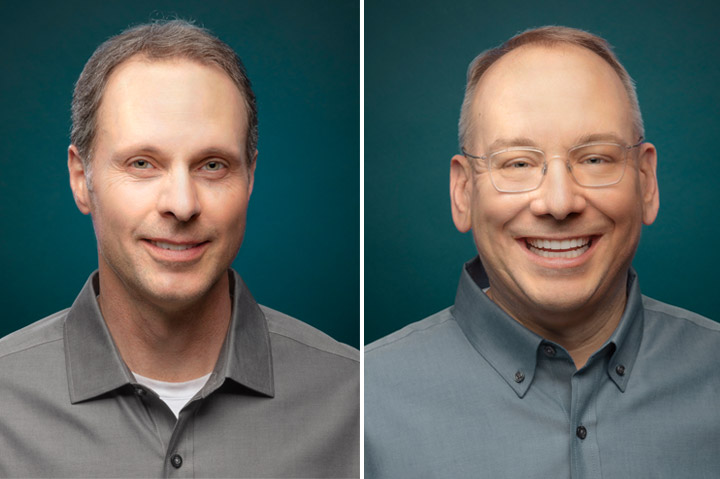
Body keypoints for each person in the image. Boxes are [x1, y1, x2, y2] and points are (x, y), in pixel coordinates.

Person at [0, 20, 358, 478]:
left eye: (212, 165)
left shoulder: (353, 396)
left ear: (250, 178)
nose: (182, 204)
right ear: (80, 179)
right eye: (143, 164)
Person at [365, 26, 720, 478]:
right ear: (463, 192)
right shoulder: (366, 403)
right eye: (518, 163)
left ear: (646, 182)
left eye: (595, 159)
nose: (558, 202)